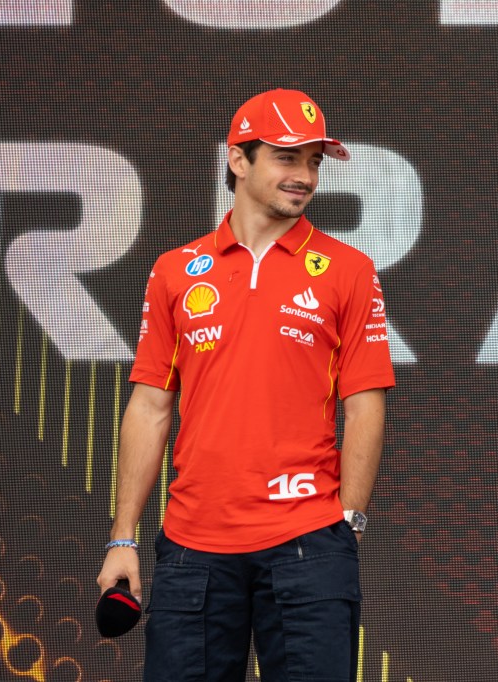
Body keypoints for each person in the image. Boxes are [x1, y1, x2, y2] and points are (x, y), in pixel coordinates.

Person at [96, 88, 395, 681]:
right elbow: (150, 405)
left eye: (313, 161)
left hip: (309, 542)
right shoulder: (175, 271)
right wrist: (121, 538)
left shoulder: (349, 270)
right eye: (287, 157)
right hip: (192, 548)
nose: (304, 175)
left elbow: (365, 408)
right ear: (238, 160)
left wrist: (350, 526)